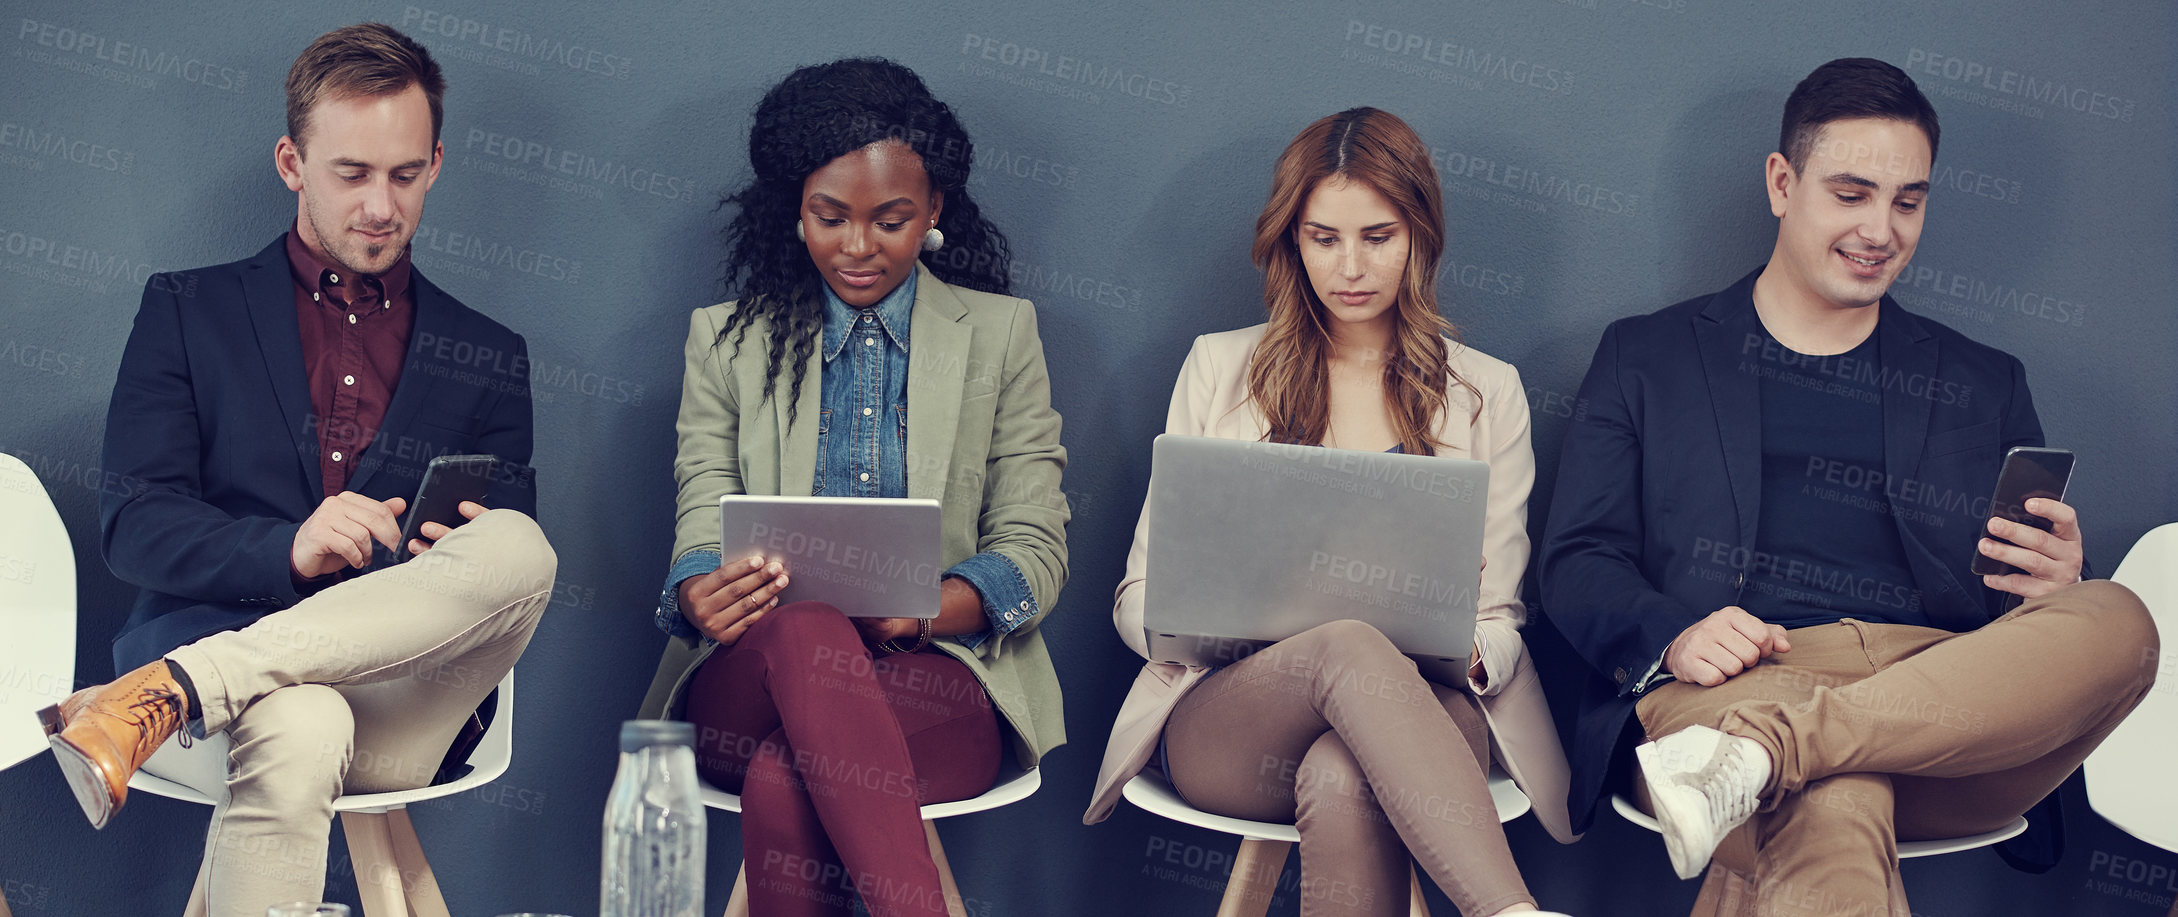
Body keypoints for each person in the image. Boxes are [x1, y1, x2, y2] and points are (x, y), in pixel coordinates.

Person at [1539, 58, 2157, 916]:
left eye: (1909, 201)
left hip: (1936, 702)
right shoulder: (1649, 356)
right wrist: (1674, 636)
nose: (1883, 228)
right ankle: (1773, 747)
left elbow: (2014, 623)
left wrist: (2046, 595)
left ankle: (1768, 753)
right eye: (1853, 193)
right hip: (1734, 684)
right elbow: (1577, 558)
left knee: (2119, 616)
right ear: (1781, 183)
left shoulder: (1982, 379)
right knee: (1835, 796)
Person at [38, 22, 555, 915]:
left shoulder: (490, 351)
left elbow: (496, 579)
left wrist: (444, 553)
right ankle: (202, 680)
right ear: (292, 163)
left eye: (403, 174)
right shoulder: (186, 311)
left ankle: (162, 693)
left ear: (435, 163)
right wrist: (288, 549)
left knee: (520, 544)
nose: (380, 205)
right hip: (230, 679)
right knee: (301, 717)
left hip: (400, 695)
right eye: (351, 173)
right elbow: (134, 525)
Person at [1083, 107, 1574, 917]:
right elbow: (1137, 601)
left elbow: (1502, 623)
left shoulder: (1489, 391)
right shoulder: (1219, 367)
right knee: (1346, 640)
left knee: (1346, 771)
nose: (1350, 266)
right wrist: (1231, 612)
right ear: (1292, 240)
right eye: (1323, 238)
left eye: (1378, 236)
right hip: (1235, 715)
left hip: (1431, 711)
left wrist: (1463, 631)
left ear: (1420, 234)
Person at [634, 58, 1069, 917]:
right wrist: (699, 589)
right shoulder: (725, 343)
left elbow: (1035, 546)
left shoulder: (1001, 336)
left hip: (935, 677)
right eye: (831, 217)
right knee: (809, 629)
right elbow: (701, 513)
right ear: (795, 210)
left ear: (934, 210)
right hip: (750, 676)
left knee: (784, 776)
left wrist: (921, 612)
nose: (858, 246)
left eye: (891, 219)